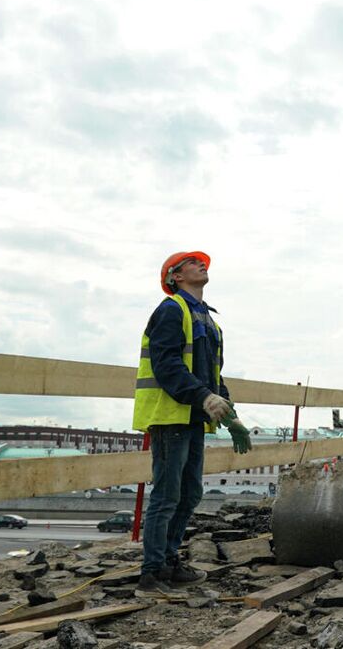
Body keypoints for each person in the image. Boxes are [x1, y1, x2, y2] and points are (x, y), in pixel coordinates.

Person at [132, 250, 251, 593]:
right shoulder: (172, 310)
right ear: (175, 276)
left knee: (189, 493)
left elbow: (213, 375)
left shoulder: (208, 321)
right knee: (167, 494)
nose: (202, 264)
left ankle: (168, 561)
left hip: (193, 417)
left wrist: (231, 415)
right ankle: (151, 572)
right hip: (171, 416)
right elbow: (166, 364)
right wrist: (203, 398)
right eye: (192, 262)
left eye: (203, 262)